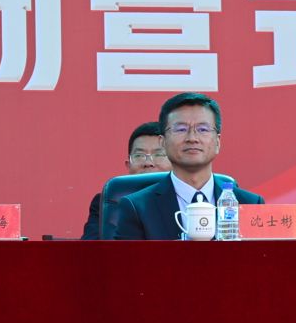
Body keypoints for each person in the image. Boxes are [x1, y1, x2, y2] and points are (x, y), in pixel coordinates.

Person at [111, 93, 261, 240]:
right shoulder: (137, 208)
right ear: (163, 143)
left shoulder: (250, 205)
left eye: (203, 129)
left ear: (217, 142)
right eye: (181, 129)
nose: (192, 138)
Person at [80, 121, 168, 239]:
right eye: (139, 155)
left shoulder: (186, 199)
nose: (148, 163)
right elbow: (90, 247)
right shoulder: (108, 201)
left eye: (159, 154)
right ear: (128, 165)